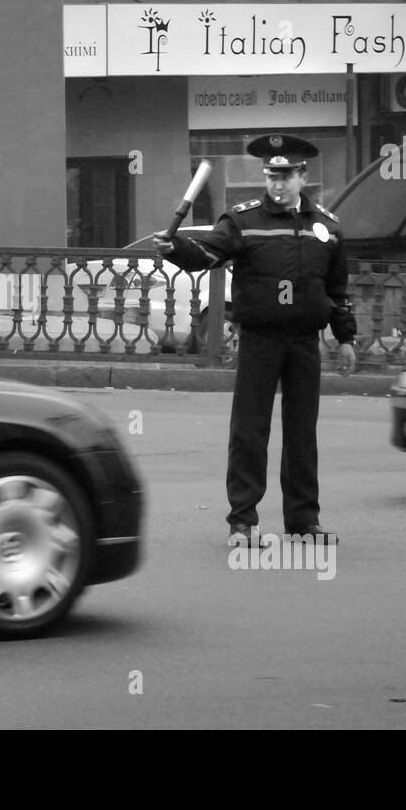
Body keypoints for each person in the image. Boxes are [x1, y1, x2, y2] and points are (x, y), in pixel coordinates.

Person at [153, 134, 357, 548]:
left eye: (286, 177)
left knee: (302, 434)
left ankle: (303, 520)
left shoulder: (327, 227)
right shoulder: (242, 220)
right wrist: (175, 248)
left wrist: (345, 336)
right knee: (250, 432)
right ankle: (242, 522)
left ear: (303, 177)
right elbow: (205, 254)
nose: (277, 185)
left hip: (304, 342)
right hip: (260, 339)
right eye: (271, 177)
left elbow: (337, 289)